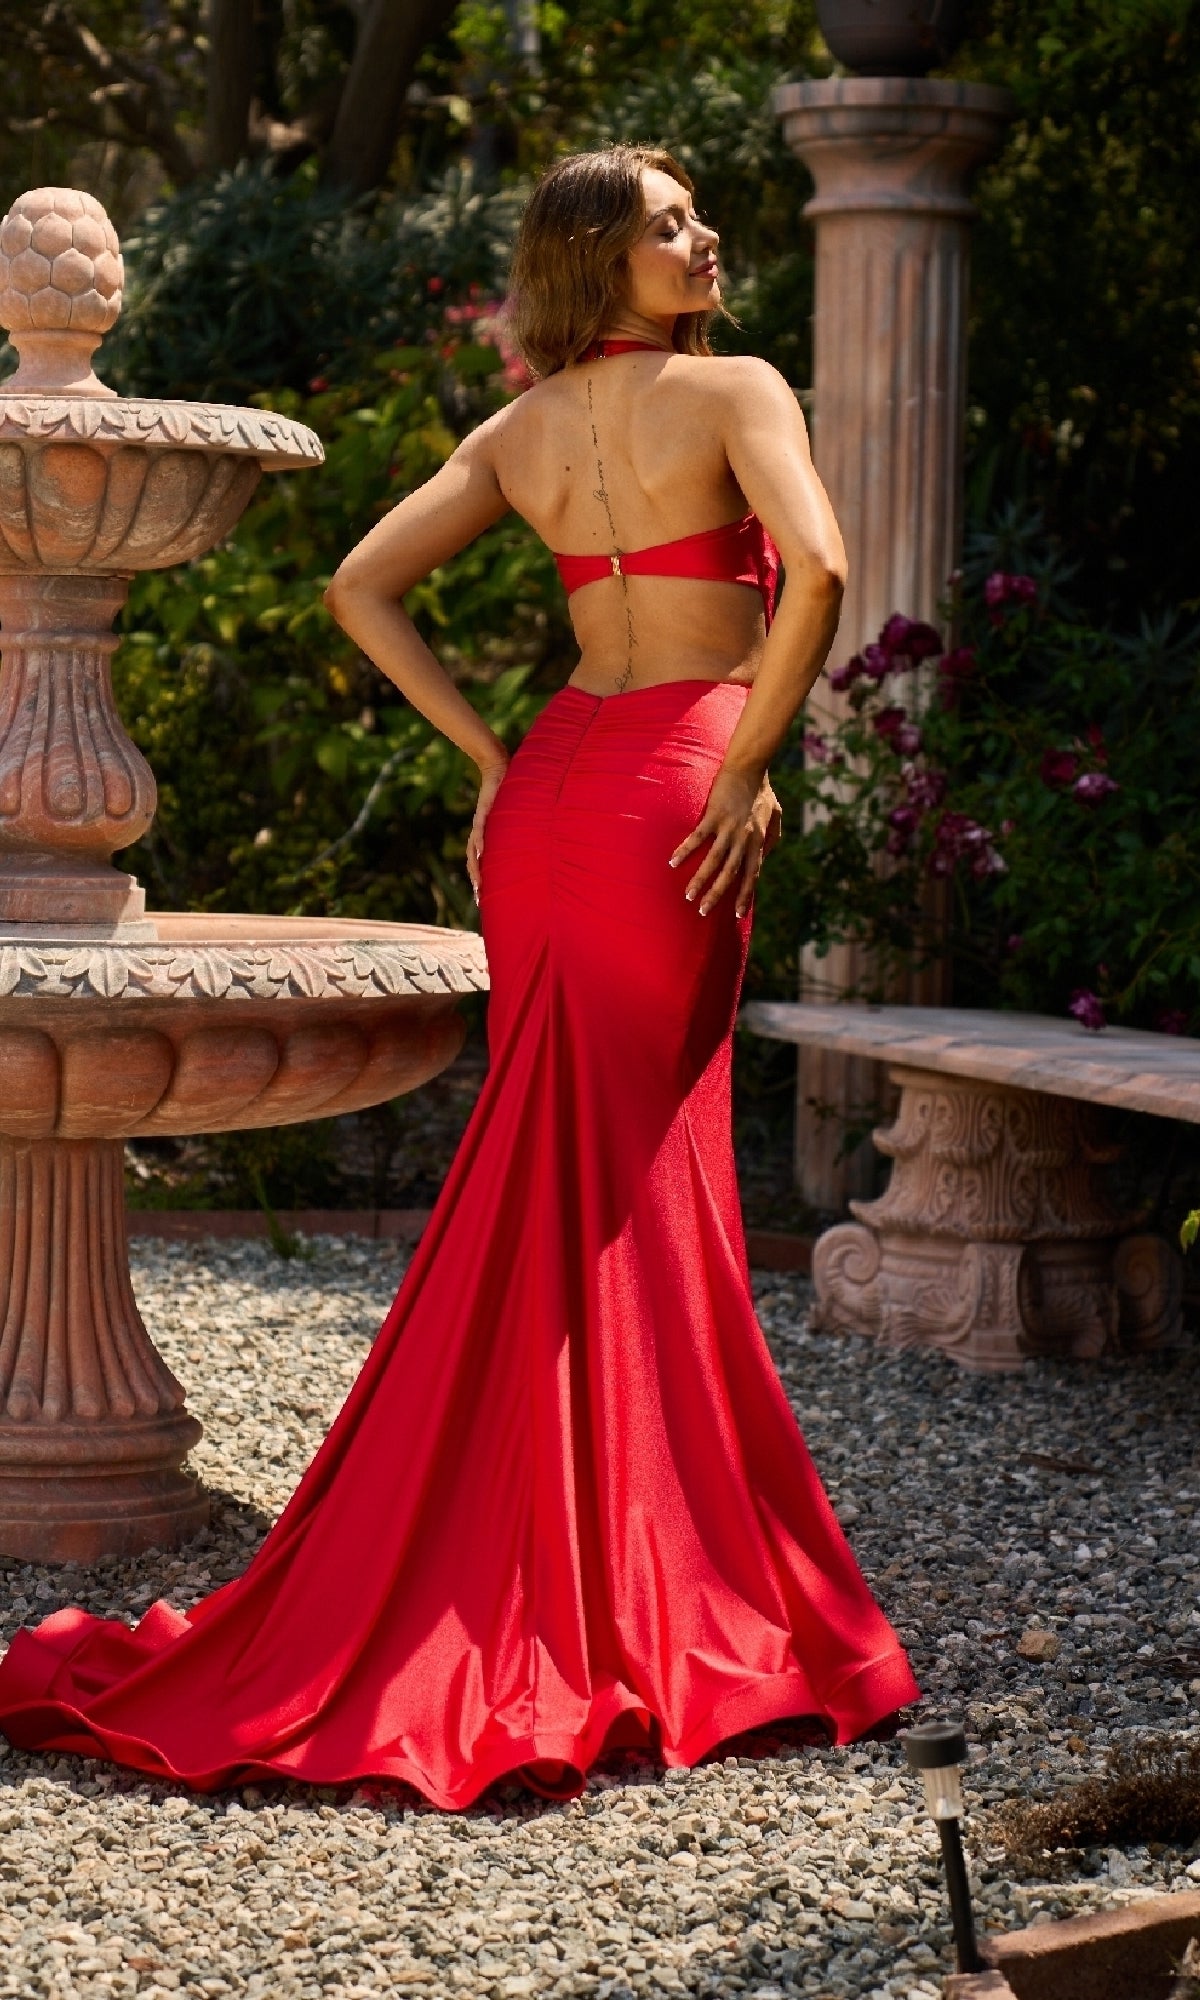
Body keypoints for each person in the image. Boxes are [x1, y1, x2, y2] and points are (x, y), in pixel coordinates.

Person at [0, 146, 918, 1809]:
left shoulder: (522, 434)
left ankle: (559, 1547)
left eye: (695, 218)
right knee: (643, 1182)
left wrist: (497, 753)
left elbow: (361, 587)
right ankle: (644, 1583)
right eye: (665, 225)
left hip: (566, 788)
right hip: (669, 794)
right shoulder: (737, 389)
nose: (701, 239)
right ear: (596, 257)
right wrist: (740, 765)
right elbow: (827, 572)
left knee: (569, 1175)